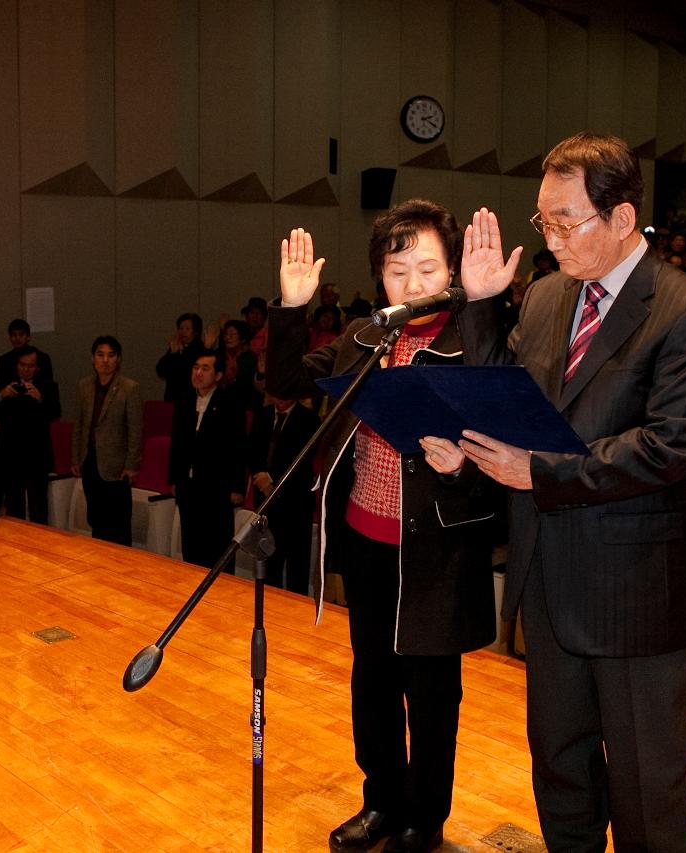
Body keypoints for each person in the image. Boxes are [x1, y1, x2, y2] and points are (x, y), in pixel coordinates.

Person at [453, 132, 686, 852]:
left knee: (647, 793)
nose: (549, 239)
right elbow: (498, 402)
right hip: (549, 585)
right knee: (561, 774)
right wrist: (483, 304)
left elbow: (669, 448)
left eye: (565, 221)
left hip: (634, 601)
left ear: (623, 218)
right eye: (542, 221)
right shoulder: (546, 297)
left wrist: (538, 472)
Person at [269, 200, 499, 853]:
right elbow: (288, 382)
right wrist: (291, 309)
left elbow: (507, 461)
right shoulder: (365, 336)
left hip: (436, 551)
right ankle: (380, 801)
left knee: (431, 694)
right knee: (371, 678)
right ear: (380, 278)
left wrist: (459, 468)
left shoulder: (472, 343)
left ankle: (424, 818)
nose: (414, 284)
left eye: (428, 267)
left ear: (453, 270)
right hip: (366, 539)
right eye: (398, 270)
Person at [169, 351, 247, 568]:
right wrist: (175, 477)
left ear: (219, 375)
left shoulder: (230, 403)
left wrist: (237, 487)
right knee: (190, 543)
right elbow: (177, 442)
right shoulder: (185, 400)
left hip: (217, 486)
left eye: (205, 368)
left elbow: (237, 447)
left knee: (217, 546)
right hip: (188, 484)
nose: (198, 373)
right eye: (196, 368)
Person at [72, 335, 142, 545]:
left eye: (111, 355)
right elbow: (78, 425)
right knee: (96, 518)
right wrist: (76, 458)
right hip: (90, 460)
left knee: (118, 523)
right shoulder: (84, 386)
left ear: (118, 359)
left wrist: (131, 465)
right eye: (100, 355)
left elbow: (136, 429)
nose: (105, 360)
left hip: (117, 466)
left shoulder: (130, 388)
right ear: (92, 358)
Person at [246, 395, 320, 594]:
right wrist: (261, 477)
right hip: (266, 501)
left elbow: (303, 458)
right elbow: (252, 449)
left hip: (295, 502)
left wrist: (273, 479)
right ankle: (269, 605)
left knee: (297, 567)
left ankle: (295, 612)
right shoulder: (263, 414)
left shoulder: (308, 418)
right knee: (270, 563)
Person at [0, 345, 60, 523]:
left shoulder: (48, 386)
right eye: (22, 365)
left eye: (30, 366)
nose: (26, 369)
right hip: (12, 453)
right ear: (16, 366)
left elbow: (55, 413)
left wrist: (40, 399)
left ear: (37, 368)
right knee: (14, 505)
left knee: (38, 506)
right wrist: (1, 396)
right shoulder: (7, 386)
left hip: (36, 454)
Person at [155, 312, 207, 401]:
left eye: (187, 329)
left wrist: (176, 356)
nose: (183, 332)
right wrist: (172, 353)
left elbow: (185, 373)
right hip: (172, 399)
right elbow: (161, 370)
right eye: (180, 328)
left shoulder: (201, 349)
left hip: (191, 400)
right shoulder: (176, 347)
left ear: (196, 331)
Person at [0, 318, 54, 388]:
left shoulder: (42, 358)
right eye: (14, 335)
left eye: (21, 334)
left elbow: (49, 387)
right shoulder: (4, 360)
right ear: (10, 337)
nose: (17, 338)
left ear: (28, 337)